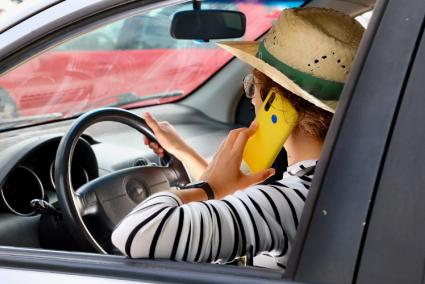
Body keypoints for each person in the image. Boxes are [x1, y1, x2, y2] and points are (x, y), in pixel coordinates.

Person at [111, 7, 365, 270]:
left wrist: (209, 186)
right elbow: (237, 205)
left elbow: (136, 235)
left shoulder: (291, 201)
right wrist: (184, 153)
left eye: (252, 86)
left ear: (274, 101)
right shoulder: (346, 178)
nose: (252, 97)